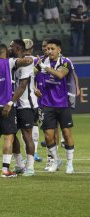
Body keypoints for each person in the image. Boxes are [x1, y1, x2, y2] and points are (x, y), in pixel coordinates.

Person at [0, 43, 33, 178]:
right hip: (6, 106)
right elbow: (27, 61)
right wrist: (35, 59)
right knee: (9, 137)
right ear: (4, 52)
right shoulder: (8, 62)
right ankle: (5, 170)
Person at [35, 38, 76, 174]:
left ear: (59, 50)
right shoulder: (41, 61)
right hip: (46, 104)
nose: (49, 51)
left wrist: (44, 67)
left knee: (66, 133)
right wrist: (32, 88)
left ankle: (70, 164)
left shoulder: (65, 62)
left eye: (52, 49)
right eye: (48, 49)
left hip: (63, 104)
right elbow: (30, 75)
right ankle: (56, 160)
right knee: (48, 135)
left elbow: (60, 75)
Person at [8, 39, 39, 176]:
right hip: (15, 105)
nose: (9, 48)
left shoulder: (27, 62)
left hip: (26, 104)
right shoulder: (13, 62)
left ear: (19, 48)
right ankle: (20, 164)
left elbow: (22, 86)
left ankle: (30, 167)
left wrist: (10, 102)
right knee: (11, 135)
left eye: (11, 46)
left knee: (27, 136)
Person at [23, 38, 43, 163]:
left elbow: (32, 77)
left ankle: (33, 152)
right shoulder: (34, 60)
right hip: (27, 98)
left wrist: (34, 88)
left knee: (30, 126)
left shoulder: (19, 60)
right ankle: (31, 153)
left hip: (30, 98)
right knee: (30, 126)